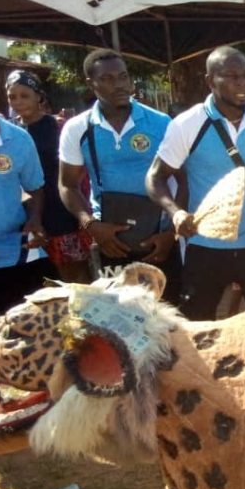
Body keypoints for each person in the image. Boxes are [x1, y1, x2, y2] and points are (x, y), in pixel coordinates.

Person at [146, 45, 245, 320]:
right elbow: (155, 177)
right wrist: (176, 213)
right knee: (198, 325)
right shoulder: (187, 124)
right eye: (232, 76)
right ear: (210, 81)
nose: (242, 83)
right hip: (205, 244)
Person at [59, 49, 181, 302]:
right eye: (108, 78)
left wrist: (171, 234)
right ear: (90, 84)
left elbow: (184, 180)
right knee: (117, 318)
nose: (120, 85)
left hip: (159, 239)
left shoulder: (160, 123)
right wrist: (91, 226)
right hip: (110, 241)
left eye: (124, 77)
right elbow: (67, 185)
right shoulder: (78, 128)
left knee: (168, 317)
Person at [7, 70, 90, 283]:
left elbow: (79, 170)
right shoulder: (10, 132)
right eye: (12, 96)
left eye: (24, 95)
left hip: (61, 209)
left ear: (39, 97)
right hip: (28, 212)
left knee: (74, 276)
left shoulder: (58, 127)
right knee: (42, 278)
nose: (18, 102)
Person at [0, 107, 49, 316]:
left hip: (14, 252)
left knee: (20, 330)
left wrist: (35, 218)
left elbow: (34, 189)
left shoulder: (19, 139)